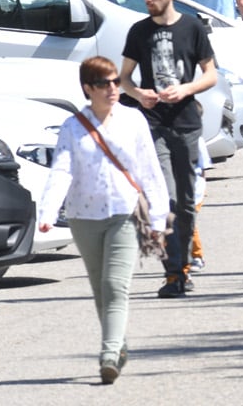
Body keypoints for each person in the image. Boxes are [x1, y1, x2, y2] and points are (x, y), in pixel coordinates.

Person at [39, 57, 170, 384]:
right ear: (88, 88)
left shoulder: (133, 119)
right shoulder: (73, 126)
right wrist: (48, 211)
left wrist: (157, 217)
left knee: (115, 285)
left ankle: (109, 353)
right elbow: (62, 170)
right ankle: (118, 344)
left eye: (115, 81)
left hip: (124, 213)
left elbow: (149, 169)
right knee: (100, 287)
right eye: (104, 83)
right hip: (84, 216)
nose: (113, 88)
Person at [117, 0, 218, 298]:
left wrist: (186, 89)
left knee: (187, 202)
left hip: (186, 123)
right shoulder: (139, 31)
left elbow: (210, 74)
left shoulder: (192, 28)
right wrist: (138, 94)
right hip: (154, 124)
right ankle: (173, 272)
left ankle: (185, 266)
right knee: (165, 198)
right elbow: (124, 78)